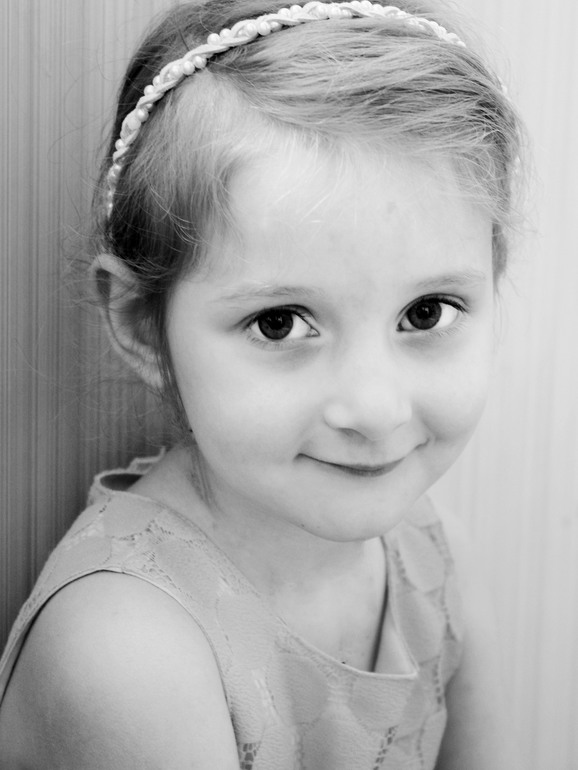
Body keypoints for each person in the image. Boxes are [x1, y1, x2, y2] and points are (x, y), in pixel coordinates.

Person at [0, 0, 523, 767]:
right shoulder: (128, 654)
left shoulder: (432, 552)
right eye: (280, 323)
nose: (376, 409)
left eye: (427, 311)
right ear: (143, 324)